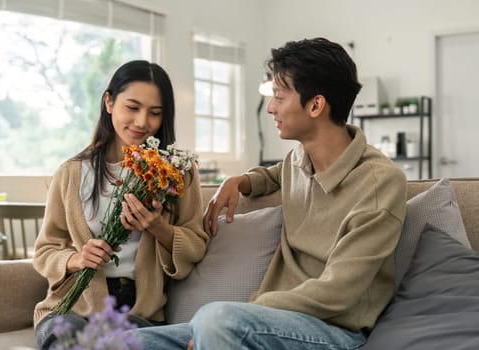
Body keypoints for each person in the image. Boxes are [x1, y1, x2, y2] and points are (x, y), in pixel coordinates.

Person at [134, 38, 407, 349]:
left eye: (278, 96)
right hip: (265, 324)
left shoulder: (379, 183)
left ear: (316, 105)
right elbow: (271, 176)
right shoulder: (298, 160)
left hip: (335, 333)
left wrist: (247, 313)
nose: (271, 107)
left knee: (216, 321)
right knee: (121, 341)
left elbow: (340, 291)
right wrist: (237, 182)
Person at [33, 60, 210, 350]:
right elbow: (45, 250)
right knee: (66, 338)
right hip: (74, 308)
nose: (142, 122)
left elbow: (196, 246)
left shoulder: (178, 173)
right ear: (109, 102)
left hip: (139, 313)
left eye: (155, 113)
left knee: (133, 341)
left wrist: (158, 227)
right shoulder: (71, 173)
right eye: (132, 107)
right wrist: (77, 259)